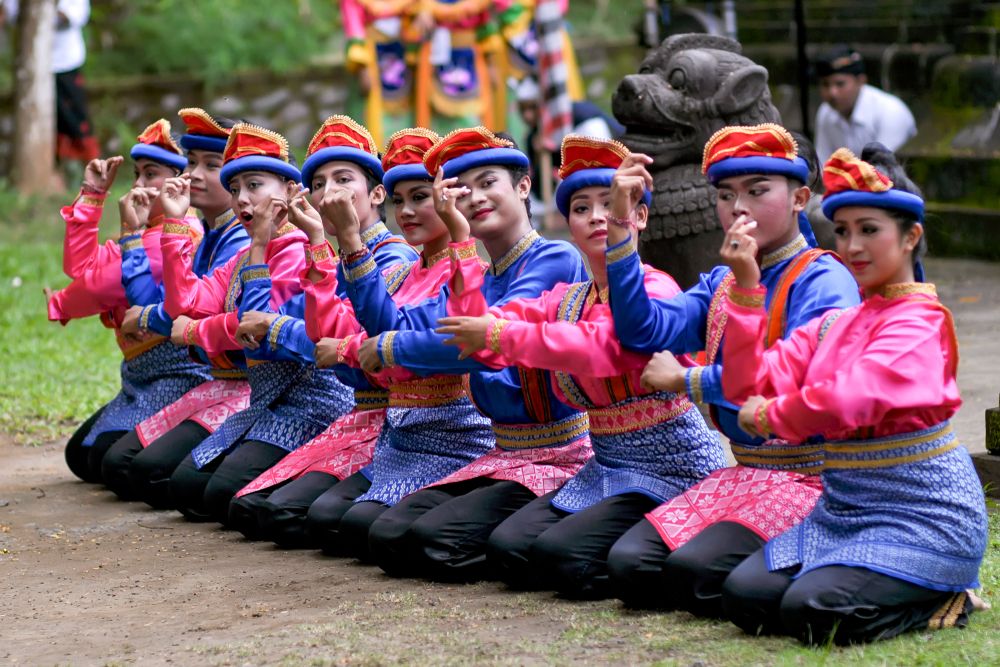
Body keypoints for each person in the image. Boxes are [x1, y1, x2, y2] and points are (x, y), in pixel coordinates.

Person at [719, 144, 988, 645]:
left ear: (910, 236)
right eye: (842, 231)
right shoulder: (837, 324)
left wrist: (773, 415)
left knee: (812, 609)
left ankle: (944, 597)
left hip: (923, 517)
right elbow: (745, 383)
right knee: (743, 595)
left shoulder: (919, 324)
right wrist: (746, 288)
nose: (852, 245)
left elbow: (852, 396)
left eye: (869, 230)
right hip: (842, 514)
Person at [435, 134, 725, 598]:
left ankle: (668, 543)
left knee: (563, 558)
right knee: (511, 547)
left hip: (669, 465)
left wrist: (496, 334)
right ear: (568, 224)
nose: (596, 217)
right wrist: (461, 240)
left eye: (610, 205)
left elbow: (603, 347)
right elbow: (480, 339)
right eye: (581, 208)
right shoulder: (567, 300)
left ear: (639, 216)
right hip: (606, 465)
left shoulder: (657, 290)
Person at [601, 124, 859, 614]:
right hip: (746, 472)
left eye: (757, 191)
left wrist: (688, 381)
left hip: (812, 480)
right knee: (628, 564)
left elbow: (795, 385)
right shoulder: (721, 282)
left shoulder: (824, 280)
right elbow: (642, 331)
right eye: (725, 195)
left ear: (800, 198)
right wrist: (621, 227)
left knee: (693, 573)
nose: (738, 208)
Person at [336, 126, 591, 579]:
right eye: (463, 190)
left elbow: (480, 342)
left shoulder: (554, 258)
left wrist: (390, 348)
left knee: (439, 541)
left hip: (558, 452)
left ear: (524, 186)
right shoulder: (479, 273)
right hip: (502, 451)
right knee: (386, 535)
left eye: (488, 182)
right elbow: (400, 327)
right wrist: (350, 242)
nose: (475, 198)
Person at [225, 122, 437, 546]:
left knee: (272, 509)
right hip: (357, 412)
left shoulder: (394, 257)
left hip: (378, 413)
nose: (328, 194)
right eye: (319, 184)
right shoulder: (327, 254)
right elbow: (264, 327)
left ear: (375, 195)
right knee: (245, 505)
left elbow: (353, 343)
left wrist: (278, 327)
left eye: (343, 180)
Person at [158, 122, 354, 525]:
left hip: (311, 405)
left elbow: (256, 336)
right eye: (235, 189)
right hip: (265, 404)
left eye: (254, 185)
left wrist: (196, 331)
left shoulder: (299, 249)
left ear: (290, 191)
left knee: (222, 498)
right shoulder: (242, 257)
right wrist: (175, 225)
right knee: (185, 486)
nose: (242, 199)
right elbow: (186, 303)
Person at [100, 108, 252, 502]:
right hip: (216, 382)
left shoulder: (241, 241)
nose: (195, 174)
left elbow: (188, 315)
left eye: (211, 165)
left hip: (241, 387)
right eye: (192, 163)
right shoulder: (211, 236)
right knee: (110, 462)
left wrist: (153, 317)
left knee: (135, 469)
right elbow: (173, 307)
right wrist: (132, 234)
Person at [53, 119, 209, 484]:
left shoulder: (178, 233)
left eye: (150, 175)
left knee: (104, 460)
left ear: (181, 182)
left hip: (179, 374)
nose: (138, 185)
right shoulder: (148, 231)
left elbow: (98, 285)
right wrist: (93, 195)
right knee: (81, 456)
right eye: (137, 174)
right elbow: (81, 267)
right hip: (141, 375)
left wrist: (60, 304)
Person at [1, 0, 100, 167]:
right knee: (42, 124)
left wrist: (43, 13)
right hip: (30, 66)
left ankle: (93, 169)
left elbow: (76, 14)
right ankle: (54, 170)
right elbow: (9, 12)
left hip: (65, 63)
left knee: (76, 121)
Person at [813, 46, 916, 163]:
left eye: (840, 84)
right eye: (825, 84)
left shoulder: (890, 112)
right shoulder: (826, 111)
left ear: (861, 81)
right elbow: (823, 164)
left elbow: (883, 169)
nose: (833, 92)